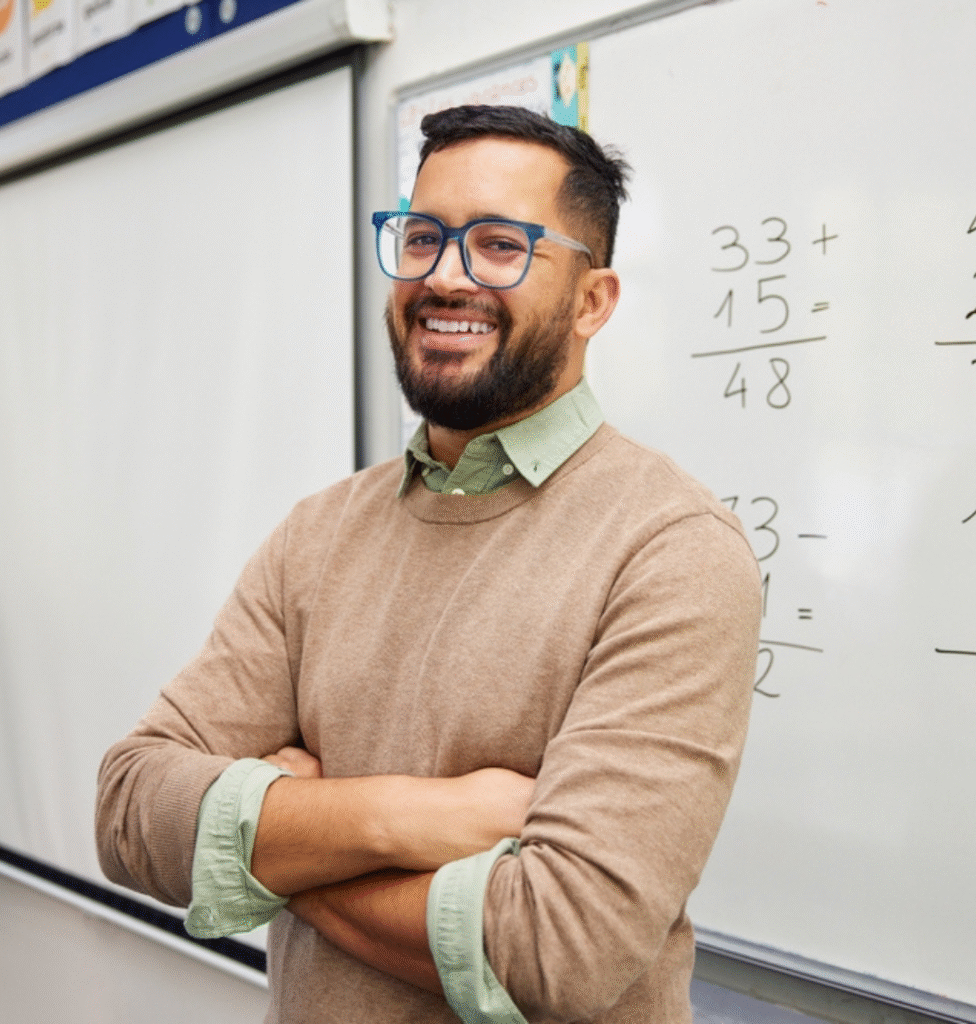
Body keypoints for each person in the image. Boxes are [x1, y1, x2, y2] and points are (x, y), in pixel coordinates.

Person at [96, 104, 762, 1024]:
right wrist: (404, 817)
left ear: (590, 302)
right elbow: (132, 809)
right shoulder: (317, 534)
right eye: (421, 237)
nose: (445, 276)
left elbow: (553, 949)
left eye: (500, 246)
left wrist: (281, 838)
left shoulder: (671, 550)